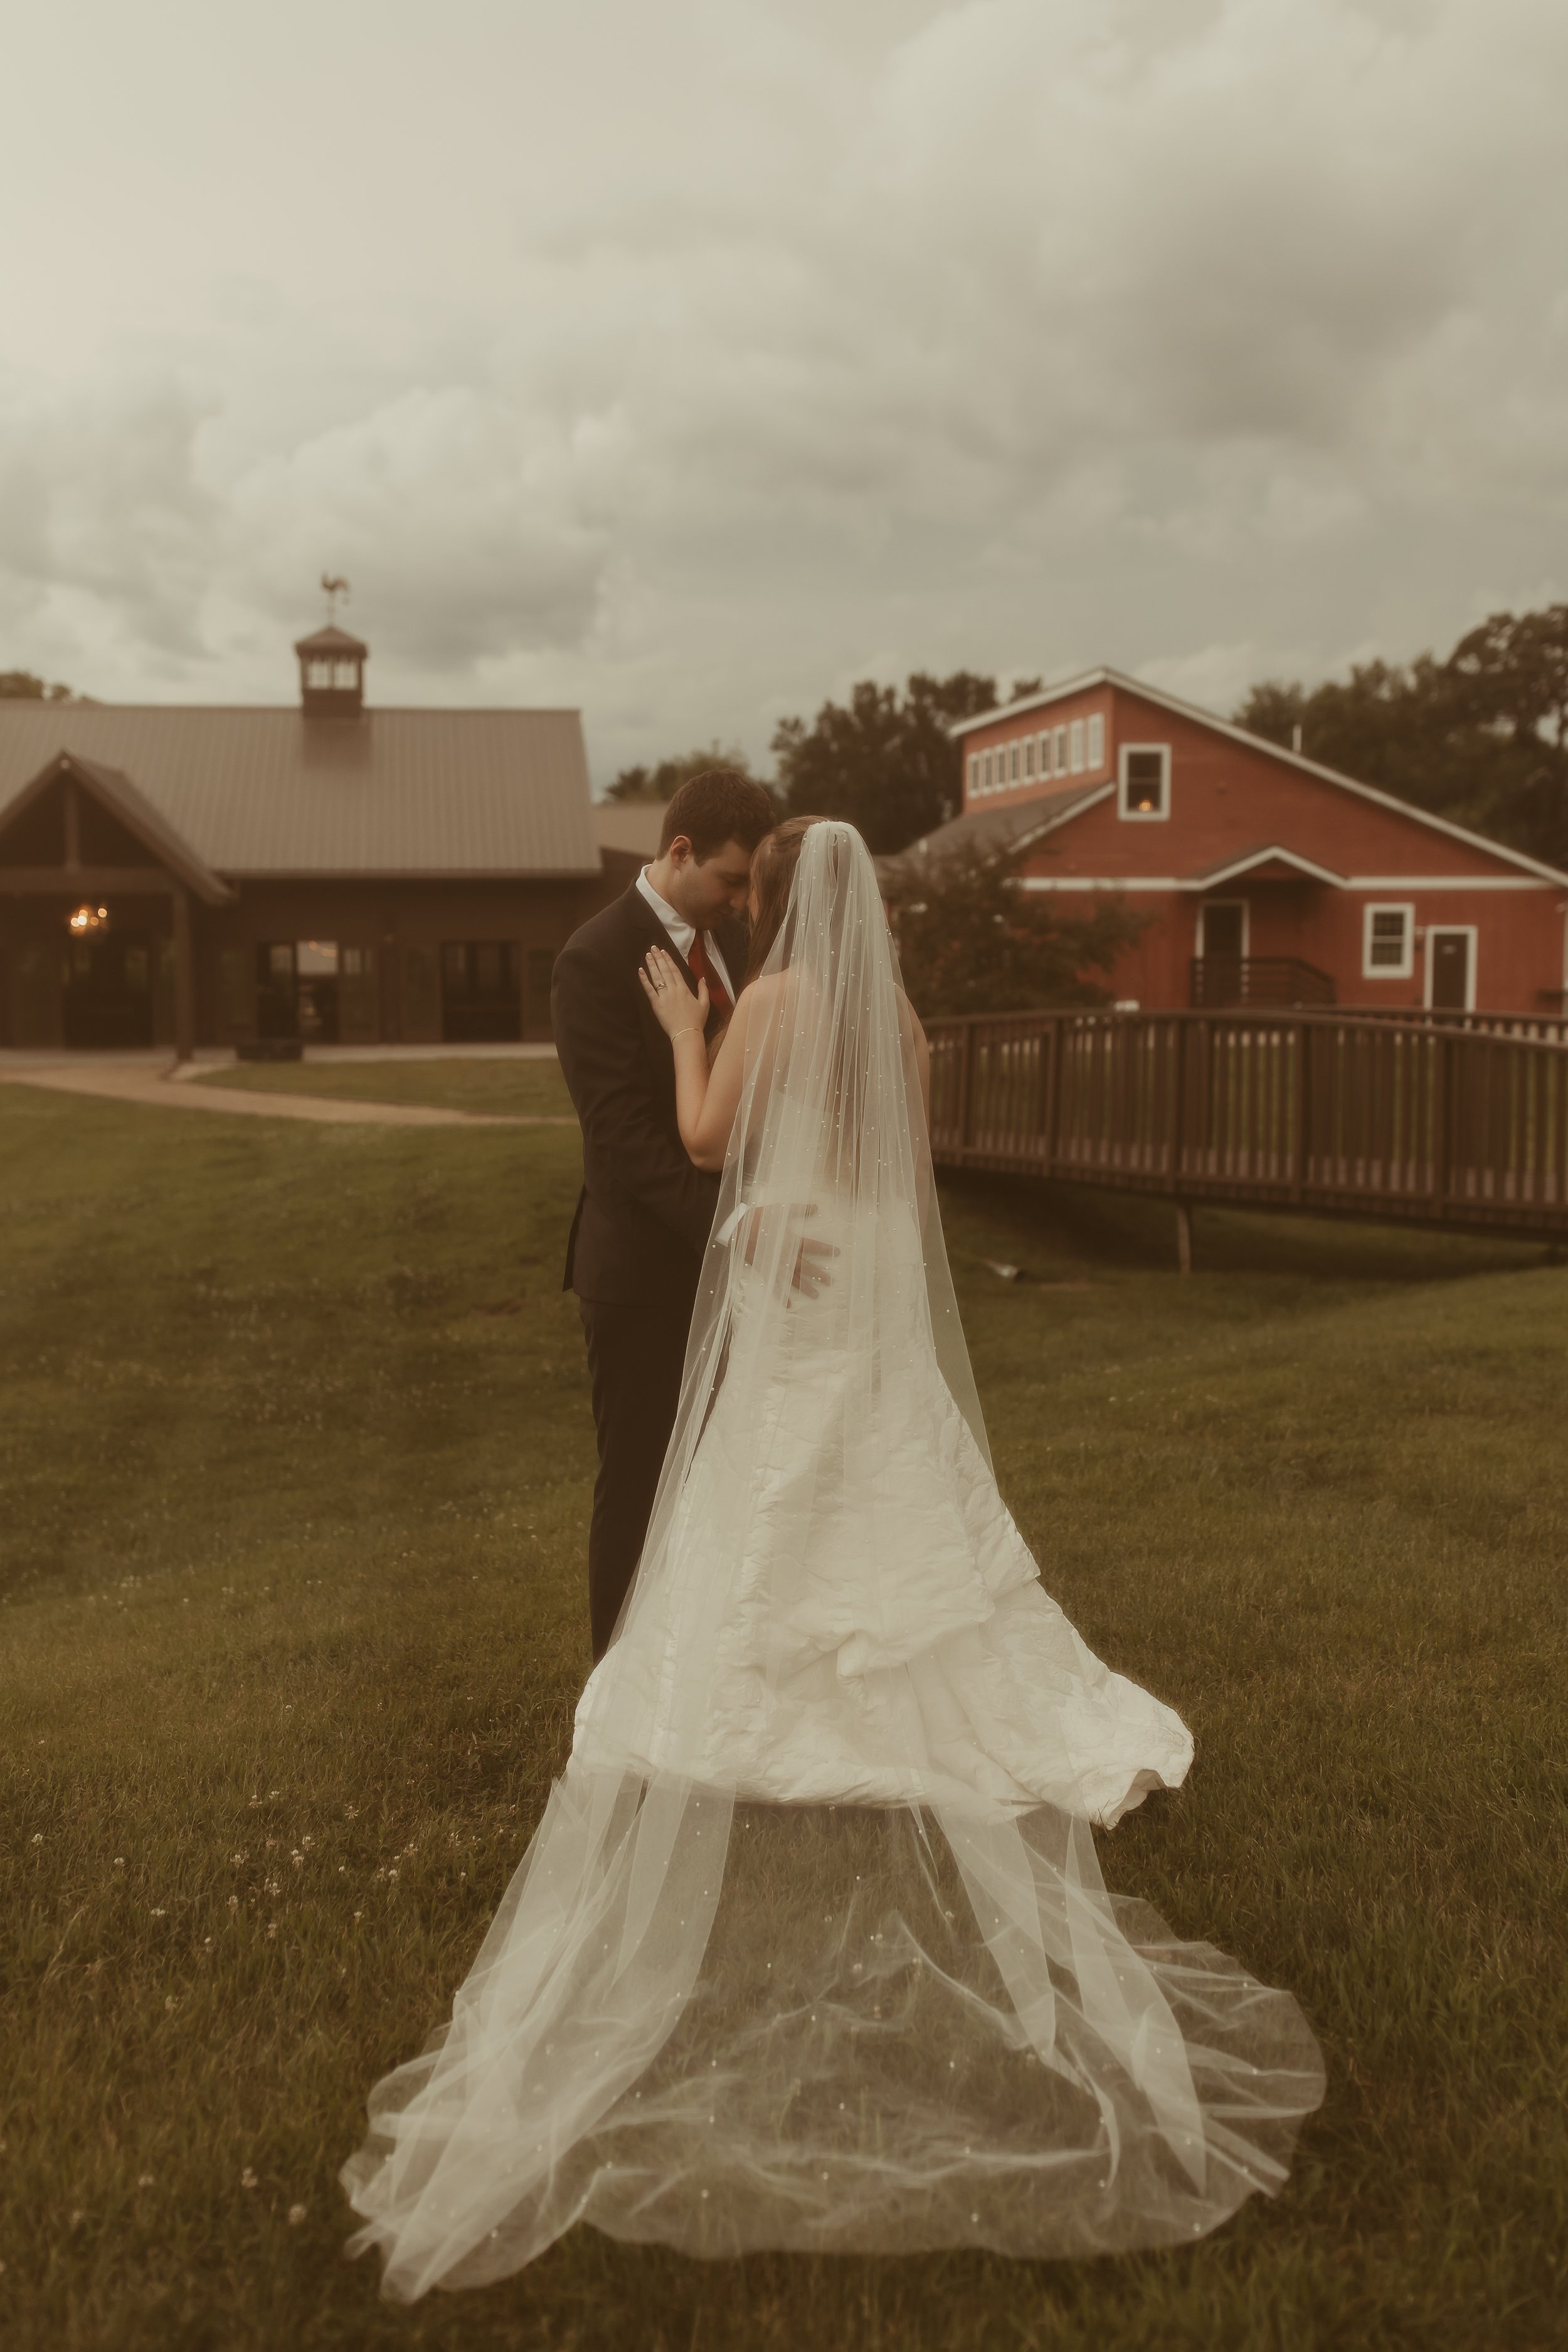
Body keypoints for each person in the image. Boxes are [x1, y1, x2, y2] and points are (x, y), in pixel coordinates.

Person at [342, 818, 1323, 2299]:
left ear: (785, 900)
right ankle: (908, 1692)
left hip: (790, 1270)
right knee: (880, 1476)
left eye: (758, 887)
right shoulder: (906, 1026)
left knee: (766, 1488)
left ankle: (766, 1696)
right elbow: (907, 1176)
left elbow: (693, 1140)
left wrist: (687, 1032)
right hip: (861, 1279)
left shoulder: (779, 1004)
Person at [549, 766, 780, 1660]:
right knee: (640, 1486)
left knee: (722, 1481)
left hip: (733, 1267)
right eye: (728, 879)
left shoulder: (734, 947)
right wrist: (735, 1225)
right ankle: (615, 1687)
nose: (739, 899)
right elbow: (623, 1141)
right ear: (677, 852)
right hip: (641, 1277)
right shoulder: (594, 956)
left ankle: (696, 1673)